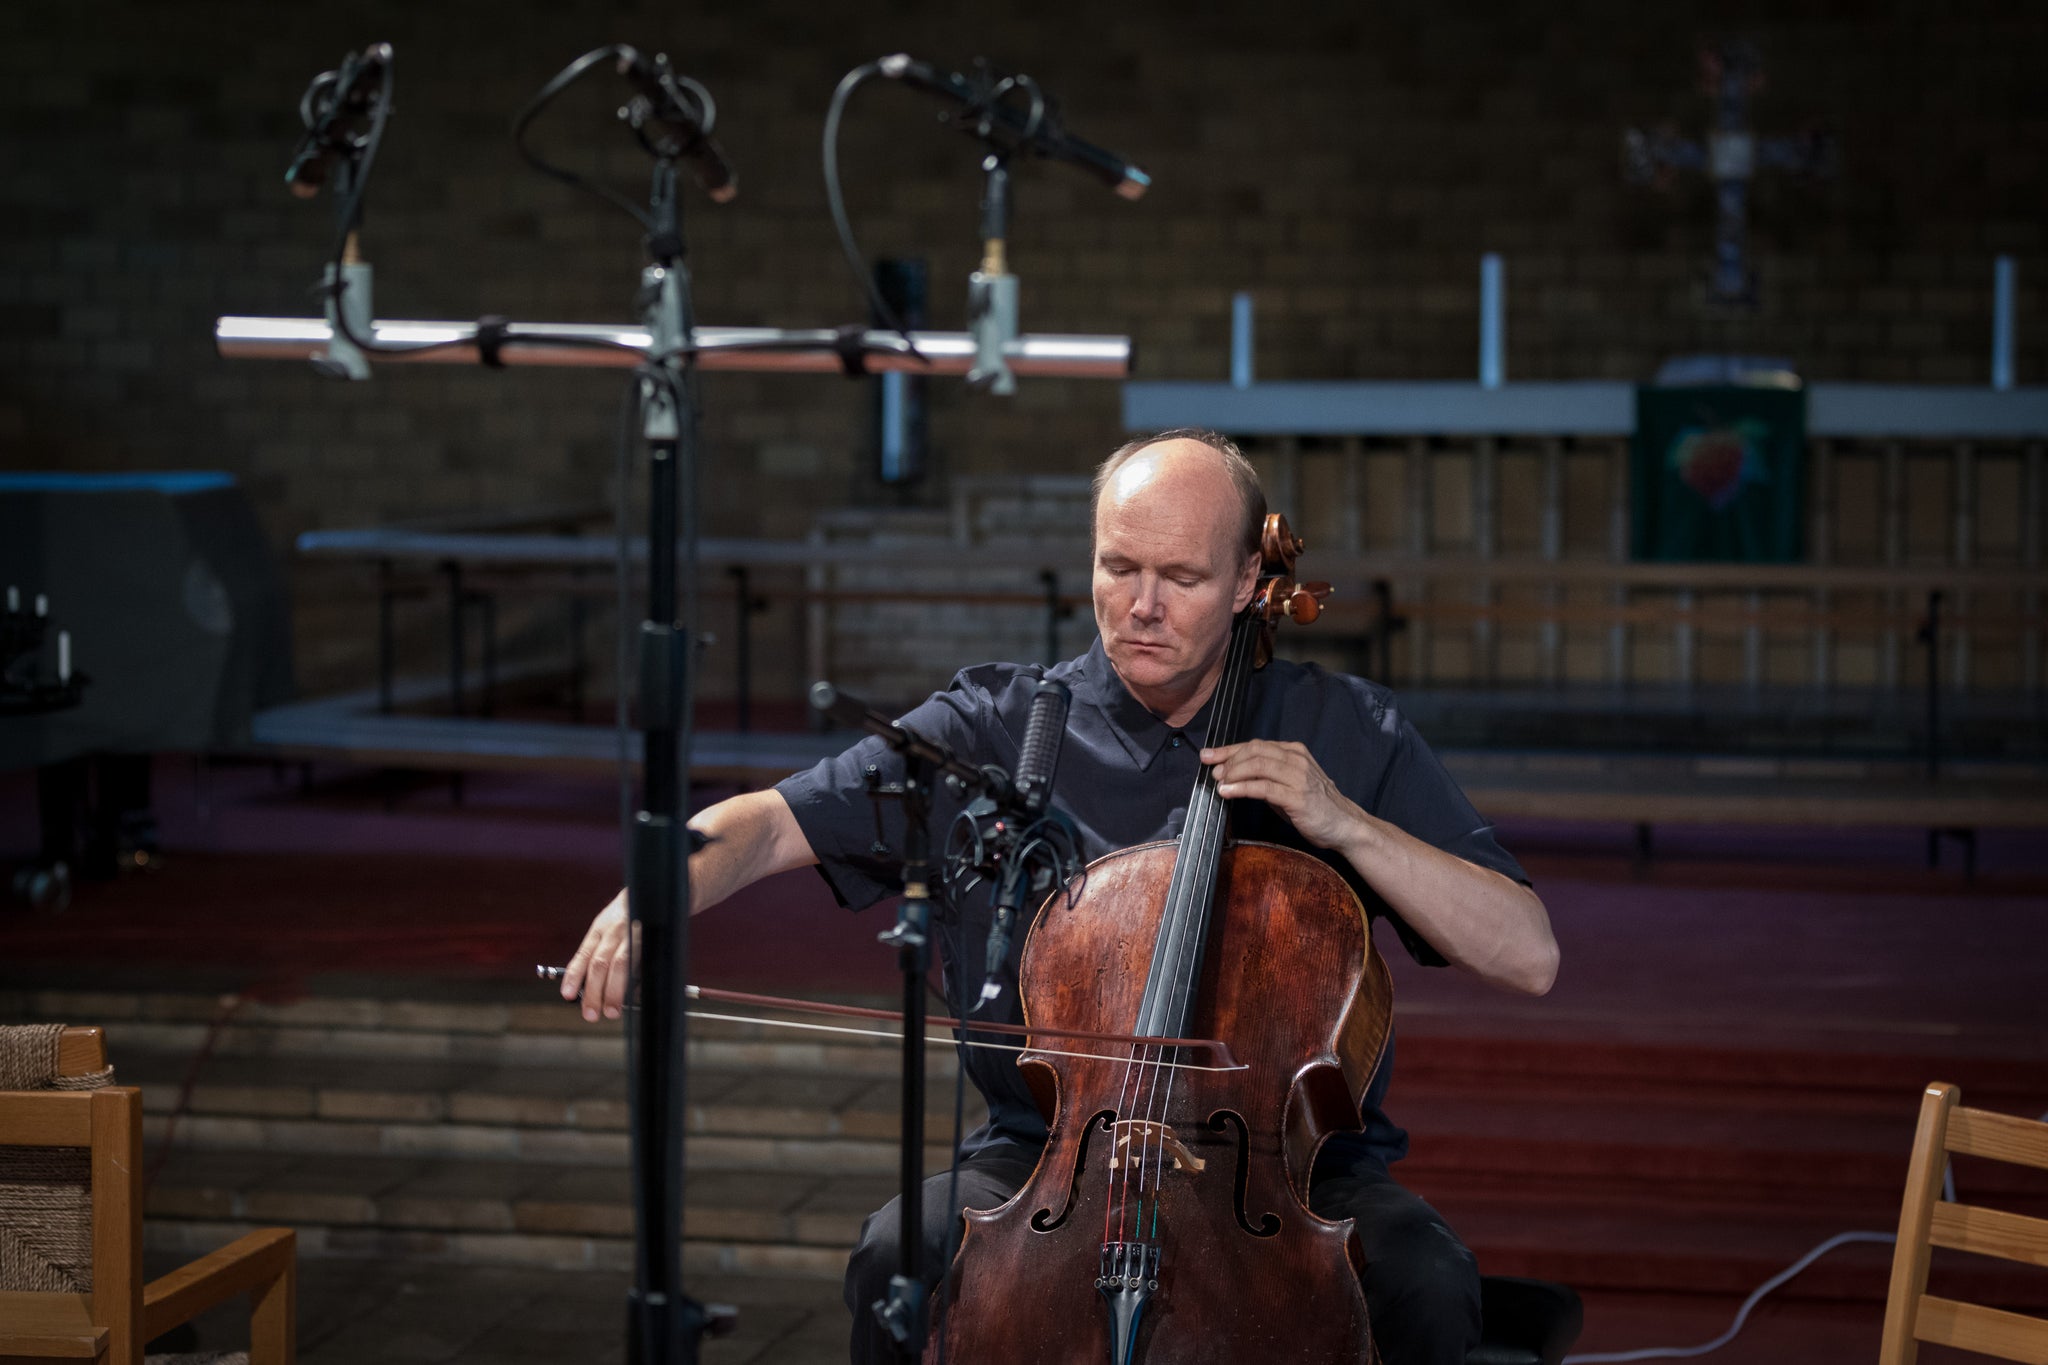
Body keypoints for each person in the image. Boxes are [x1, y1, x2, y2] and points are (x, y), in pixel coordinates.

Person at [563, 429, 1559, 1365]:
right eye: (1118, 568)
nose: (1141, 606)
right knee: (895, 1255)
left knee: (1425, 1283)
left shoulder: (1341, 729)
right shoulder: (1000, 725)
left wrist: (1345, 823)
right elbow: (772, 822)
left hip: (1293, 1169)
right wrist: (651, 891)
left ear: (1249, 581)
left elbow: (1527, 953)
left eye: (1180, 578)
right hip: (1050, 1154)